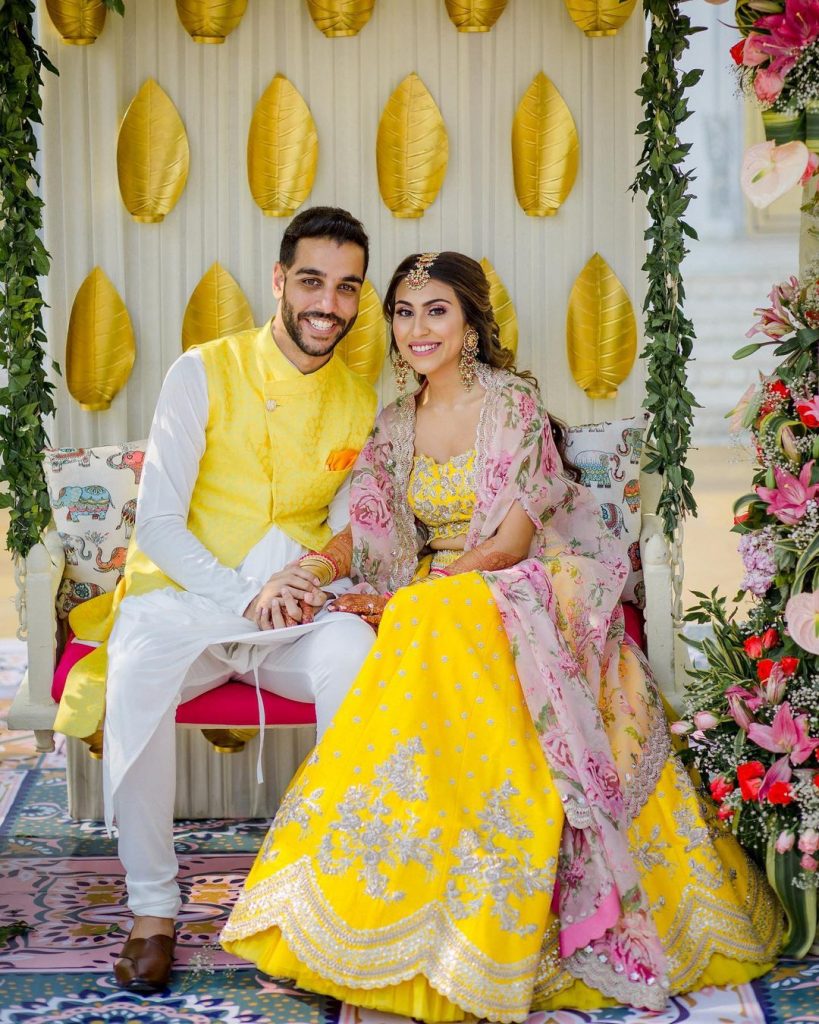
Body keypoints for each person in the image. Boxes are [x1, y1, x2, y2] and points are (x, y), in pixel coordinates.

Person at [221, 251, 782, 1022]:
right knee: (410, 628)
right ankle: (356, 922)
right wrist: (310, 574)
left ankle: (482, 926)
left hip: (526, 586)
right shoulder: (393, 422)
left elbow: (514, 541)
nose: (417, 329)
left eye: (436, 311)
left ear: (470, 322)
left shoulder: (512, 407)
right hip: (436, 603)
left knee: (419, 620)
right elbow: (369, 527)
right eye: (403, 312)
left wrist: (418, 596)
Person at [53, 207, 381, 994]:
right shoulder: (199, 370)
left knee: (356, 659)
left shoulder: (362, 404)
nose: (326, 305)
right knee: (134, 671)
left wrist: (303, 588)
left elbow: (342, 534)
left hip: (292, 618)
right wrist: (244, 593)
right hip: (189, 602)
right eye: (310, 281)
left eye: (345, 289)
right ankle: (153, 909)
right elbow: (159, 524)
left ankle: (330, 898)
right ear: (278, 280)